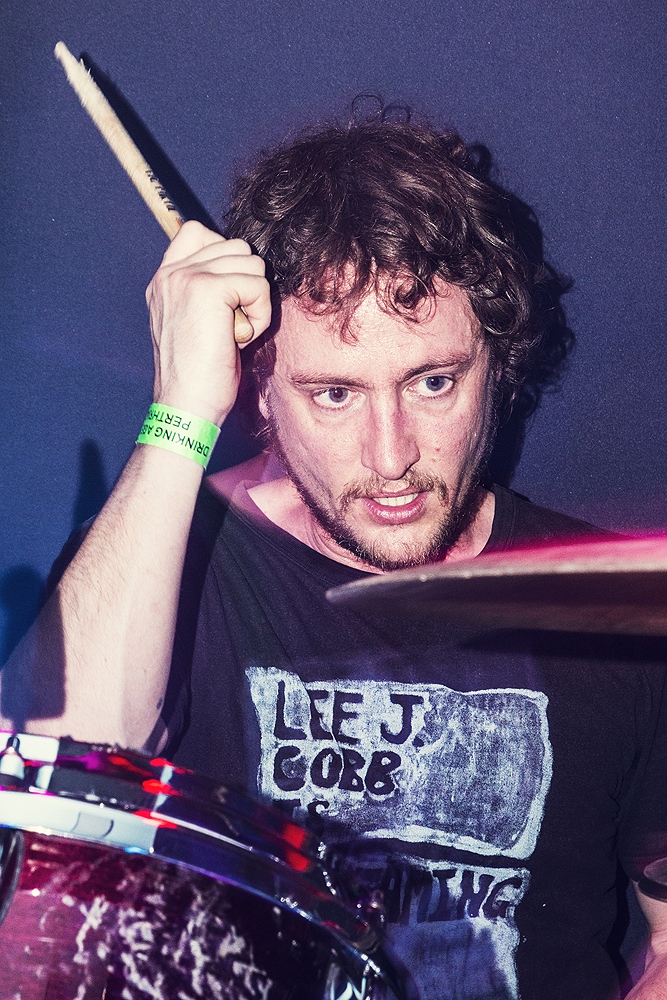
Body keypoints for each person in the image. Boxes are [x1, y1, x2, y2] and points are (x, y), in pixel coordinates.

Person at [4, 117, 667, 1000]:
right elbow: (51, 808)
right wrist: (182, 411)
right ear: (260, 392)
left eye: (433, 381)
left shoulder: (609, 606)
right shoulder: (167, 558)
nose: (390, 455)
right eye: (332, 393)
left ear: (497, 364)